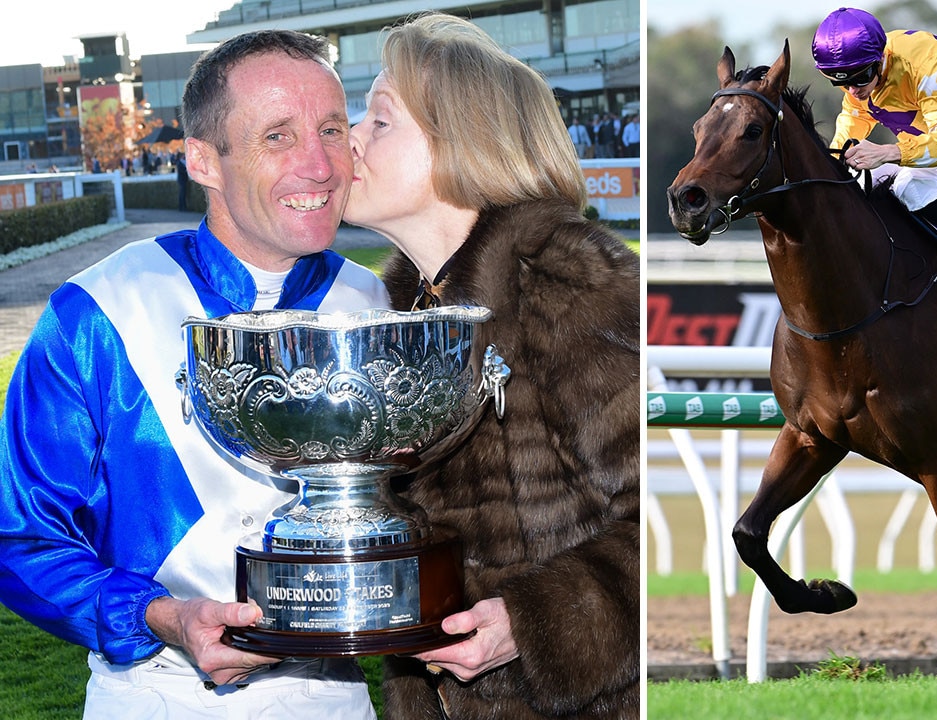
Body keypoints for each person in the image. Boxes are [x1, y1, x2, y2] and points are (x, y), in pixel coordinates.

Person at [0, 30, 389, 718]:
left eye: (332, 128)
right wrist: (161, 615)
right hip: (158, 692)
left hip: (338, 696)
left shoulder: (377, 305)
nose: (320, 164)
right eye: (277, 136)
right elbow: (20, 537)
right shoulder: (97, 312)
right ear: (203, 161)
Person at [345, 12, 639, 719]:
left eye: (378, 121)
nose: (349, 137)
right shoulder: (392, 314)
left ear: (461, 143)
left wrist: (531, 623)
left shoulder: (568, 282)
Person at [813, 6, 937, 303]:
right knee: (862, 186)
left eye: (860, 78)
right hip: (927, 159)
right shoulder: (859, 79)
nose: (852, 90)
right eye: (840, 82)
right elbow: (851, 127)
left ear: (880, 58)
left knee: (910, 184)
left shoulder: (925, 59)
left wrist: (888, 152)